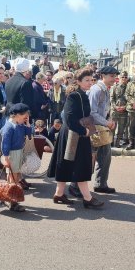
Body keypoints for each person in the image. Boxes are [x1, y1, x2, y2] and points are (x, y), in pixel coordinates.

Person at [47, 68, 104, 208]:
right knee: (81, 166)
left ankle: (59, 194)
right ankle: (87, 199)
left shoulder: (82, 94)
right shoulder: (74, 95)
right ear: (78, 81)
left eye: (91, 80)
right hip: (73, 134)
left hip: (76, 134)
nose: (90, 82)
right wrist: (84, 131)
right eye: (87, 80)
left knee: (68, 165)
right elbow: (69, 118)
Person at [89, 66, 117, 194]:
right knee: (89, 158)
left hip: (101, 128)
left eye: (114, 75)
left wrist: (108, 121)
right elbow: (92, 112)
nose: (114, 78)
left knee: (105, 156)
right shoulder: (97, 89)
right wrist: (107, 123)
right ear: (103, 76)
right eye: (111, 76)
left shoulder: (105, 89)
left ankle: (100, 184)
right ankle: (75, 186)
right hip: (93, 129)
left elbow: (103, 110)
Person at [1, 103, 32, 212]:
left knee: (16, 177)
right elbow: (5, 144)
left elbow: (29, 135)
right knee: (12, 179)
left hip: (18, 153)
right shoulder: (9, 127)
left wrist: (28, 125)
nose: (26, 118)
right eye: (25, 116)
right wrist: (6, 157)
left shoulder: (19, 125)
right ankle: (12, 202)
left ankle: (8, 197)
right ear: (17, 115)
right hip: (11, 154)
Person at [110, 71, 129, 147]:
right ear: (119, 78)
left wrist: (125, 107)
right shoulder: (115, 87)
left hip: (124, 111)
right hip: (115, 110)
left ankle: (118, 142)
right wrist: (115, 107)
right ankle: (111, 142)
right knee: (112, 127)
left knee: (121, 128)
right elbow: (111, 98)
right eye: (122, 77)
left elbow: (130, 99)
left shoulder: (129, 87)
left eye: (125, 77)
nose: (124, 78)